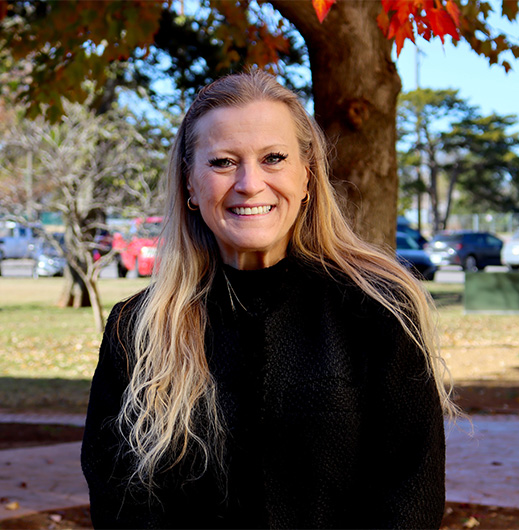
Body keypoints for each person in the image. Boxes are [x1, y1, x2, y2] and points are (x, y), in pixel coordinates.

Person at [81, 69, 454, 529]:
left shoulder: (376, 309)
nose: (249, 183)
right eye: (222, 162)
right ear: (191, 185)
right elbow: (123, 504)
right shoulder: (137, 328)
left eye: (273, 158)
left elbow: (409, 495)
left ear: (307, 176)